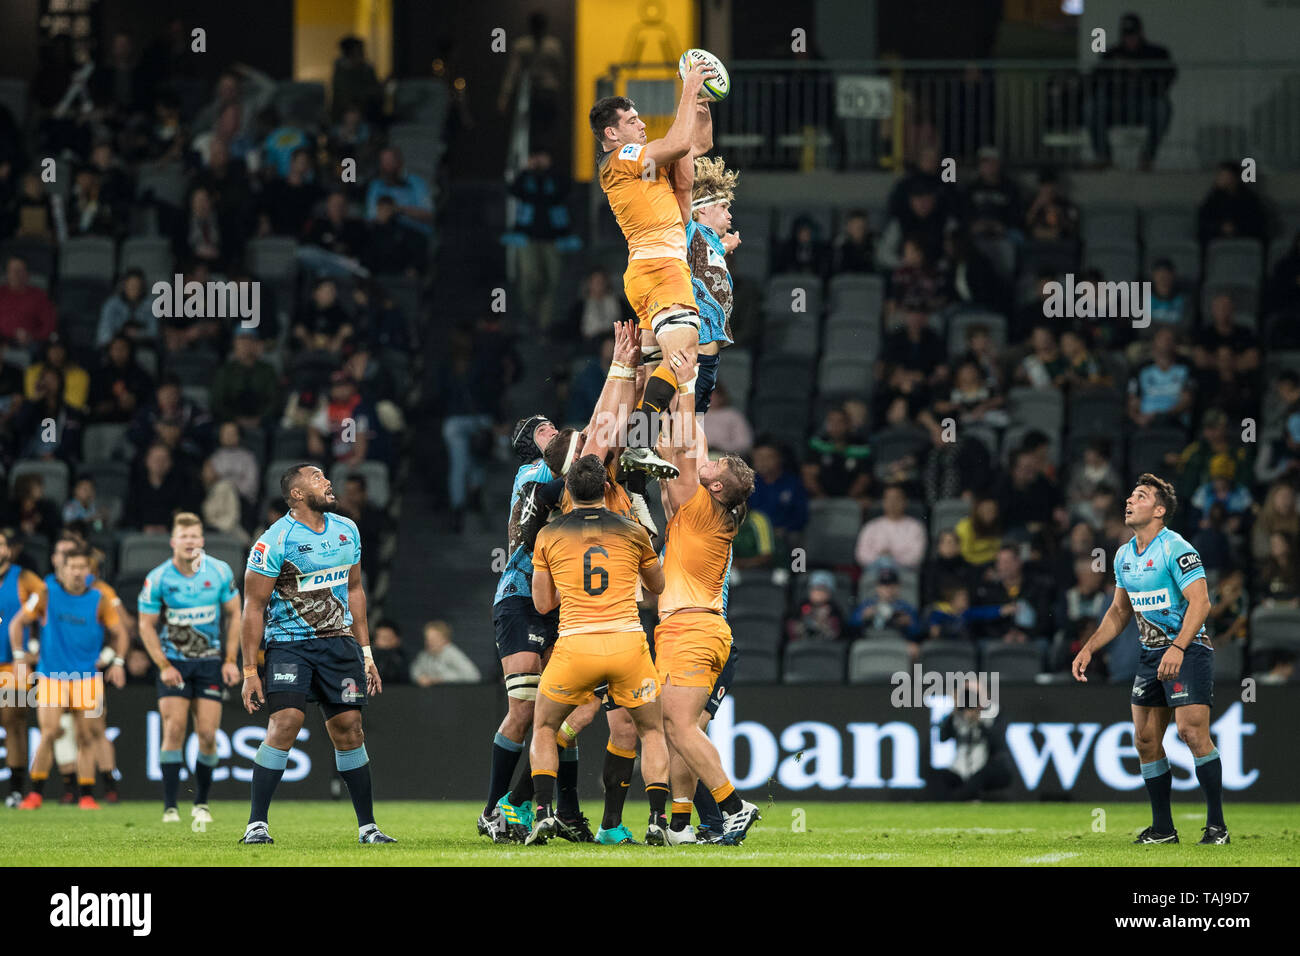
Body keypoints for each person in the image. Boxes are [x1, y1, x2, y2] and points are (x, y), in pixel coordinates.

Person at [238, 464, 394, 845]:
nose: (327, 482)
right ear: (296, 494)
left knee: (350, 731)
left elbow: (355, 589)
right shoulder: (274, 541)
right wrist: (248, 670)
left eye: (326, 477)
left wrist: (367, 653)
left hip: (339, 645)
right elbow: (253, 606)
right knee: (287, 722)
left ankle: (367, 828)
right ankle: (256, 825)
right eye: (317, 478)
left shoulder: (347, 530)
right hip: (290, 645)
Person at [523, 454, 672, 846]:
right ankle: (658, 819)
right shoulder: (634, 530)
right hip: (626, 643)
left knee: (544, 727)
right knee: (652, 730)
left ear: (568, 490)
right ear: (607, 489)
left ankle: (542, 812)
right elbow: (657, 587)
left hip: (575, 646)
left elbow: (542, 604)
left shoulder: (548, 535)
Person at [1072, 474, 1226, 845]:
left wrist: (1177, 648)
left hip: (1187, 650)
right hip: (1151, 653)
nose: (1129, 500)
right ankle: (1163, 830)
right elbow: (1119, 612)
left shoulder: (1177, 548)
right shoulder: (1124, 554)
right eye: (1130, 494)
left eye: (1140, 496)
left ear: (1159, 511)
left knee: (1191, 732)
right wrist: (1090, 647)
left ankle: (1217, 827)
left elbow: (1201, 602)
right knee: (1144, 740)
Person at [651, 351, 761, 845]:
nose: (705, 464)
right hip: (704, 628)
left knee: (677, 725)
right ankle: (678, 825)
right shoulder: (710, 512)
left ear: (714, 486)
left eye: (711, 467)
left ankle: (733, 807)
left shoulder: (699, 506)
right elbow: (677, 450)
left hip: (689, 628)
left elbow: (687, 444)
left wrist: (688, 381)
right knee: (681, 728)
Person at [589, 60, 715, 480]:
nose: (641, 123)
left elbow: (695, 145)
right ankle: (640, 446)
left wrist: (700, 101)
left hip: (652, 269)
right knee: (685, 353)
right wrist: (688, 85)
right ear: (612, 133)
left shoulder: (642, 166)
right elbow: (678, 144)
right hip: (659, 267)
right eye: (631, 120)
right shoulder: (618, 159)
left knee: (645, 372)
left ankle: (624, 469)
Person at [136, 513, 241, 824]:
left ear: (202, 541)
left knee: (208, 734)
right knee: (174, 729)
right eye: (185, 537)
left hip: (210, 662)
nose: (190, 542)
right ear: (173, 542)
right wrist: (163, 664)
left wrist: (231, 659)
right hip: (175, 663)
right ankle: (170, 806)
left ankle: (202, 802)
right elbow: (145, 625)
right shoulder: (158, 578)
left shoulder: (220, 572)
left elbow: (236, 614)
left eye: (195, 537)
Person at [13, 544, 127, 810]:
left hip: (86, 677)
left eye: (82, 567)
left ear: (89, 570)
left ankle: (86, 795)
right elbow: (18, 623)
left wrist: (116, 660)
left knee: (86, 736)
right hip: (53, 675)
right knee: (49, 732)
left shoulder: (99, 598)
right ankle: (35, 794)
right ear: (62, 569)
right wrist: (20, 657)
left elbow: (120, 632)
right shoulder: (46, 593)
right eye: (72, 567)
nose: (77, 572)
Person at [1086, 12, 1177, 169]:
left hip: (1145, 103)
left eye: (1133, 35)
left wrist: (1139, 70)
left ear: (1140, 33)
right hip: (1116, 105)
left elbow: (1169, 76)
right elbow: (1095, 78)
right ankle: (1103, 156)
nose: (1130, 40)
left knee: (1162, 108)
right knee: (1091, 107)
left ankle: (1147, 157)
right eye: (1126, 36)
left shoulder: (1156, 53)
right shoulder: (1112, 54)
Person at [686, 154, 739, 414]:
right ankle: (641, 447)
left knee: (694, 423)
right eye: (724, 207)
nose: (730, 215)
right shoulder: (690, 231)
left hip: (709, 357)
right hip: (691, 351)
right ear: (703, 208)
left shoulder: (712, 244)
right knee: (679, 425)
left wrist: (724, 247)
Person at [0, 529, 46, 807]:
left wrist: (37, 647)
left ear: (9, 549)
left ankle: (16, 788)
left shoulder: (24, 578)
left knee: (12, 720)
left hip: (13, 663)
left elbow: (48, 606)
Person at [411, 620, 481, 686]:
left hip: (453, 694)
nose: (430, 642)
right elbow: (415, 671)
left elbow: (473, 676)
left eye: (434, 639)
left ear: (445, 639)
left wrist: (443, 679)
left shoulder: (452, 653)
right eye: (427, 639)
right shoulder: (424, 655)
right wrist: (420, 677)